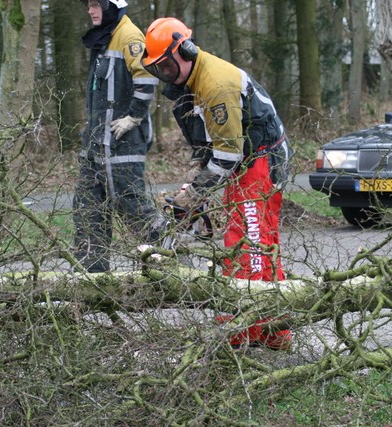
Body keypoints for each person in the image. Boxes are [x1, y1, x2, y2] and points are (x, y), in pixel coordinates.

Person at [141, 17, 292, 350]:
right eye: (158, 69)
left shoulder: (216, 82)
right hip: (243, 158)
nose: (165, 73)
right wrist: (193, 188)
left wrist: (195, 193)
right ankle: (274, 330)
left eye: (167, 64)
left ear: (186, 49)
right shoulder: (186, 87)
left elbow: (226, 155)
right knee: (258, 240)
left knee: (248, 242)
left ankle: (238, 331)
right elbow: (203, 146)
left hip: (259, 159)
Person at [73, 0, 166, 273]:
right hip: (95, 144)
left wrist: (134, 116)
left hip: (122, 143)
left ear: (111, 4)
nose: (90, 11)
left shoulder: (129, 36)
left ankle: (170, 265)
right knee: (88, 209)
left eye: (95, 4)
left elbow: (147, 78)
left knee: (133, 207)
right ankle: (91, 279)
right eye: (88, 5)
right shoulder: (106, 38)